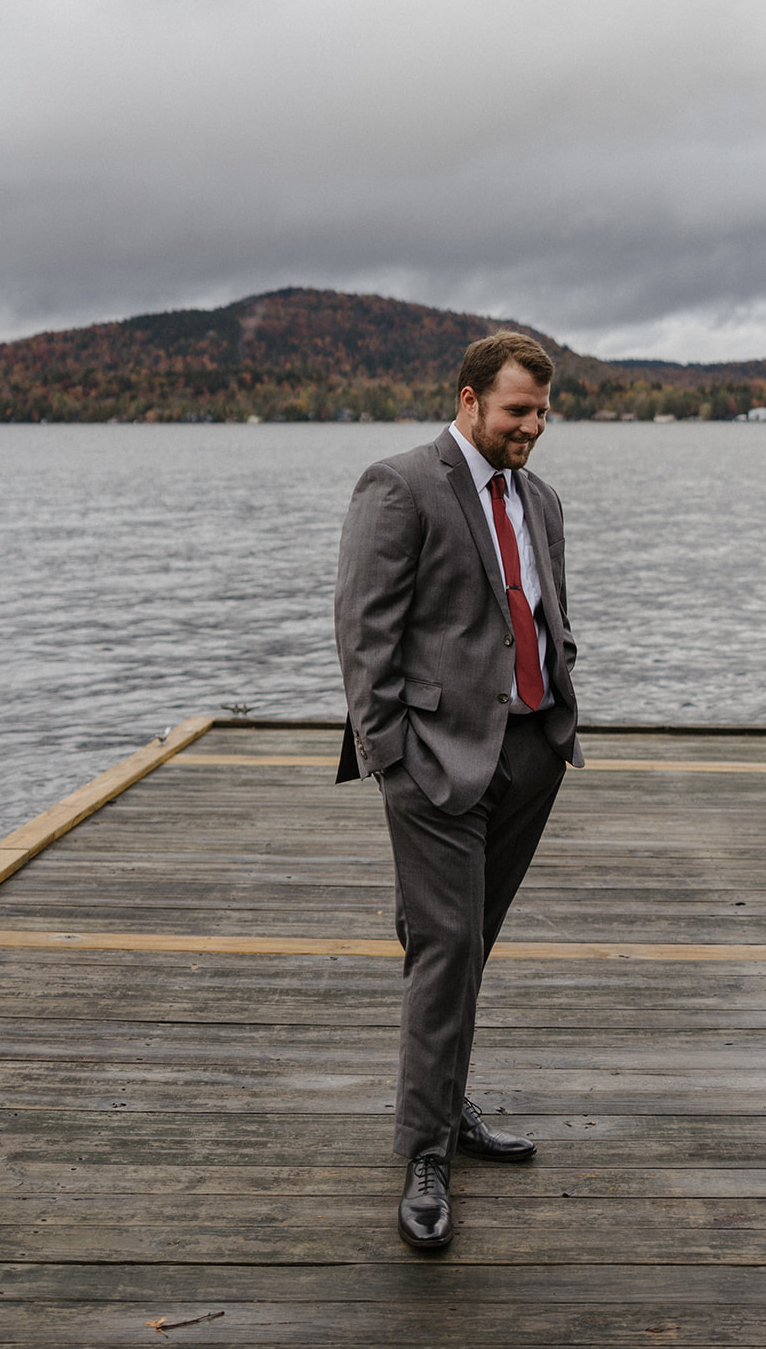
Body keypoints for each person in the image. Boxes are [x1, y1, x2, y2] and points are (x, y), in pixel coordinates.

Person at [334, 330, 581, 1249]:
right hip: (433, 760)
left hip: (528, 754)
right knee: (443, 944)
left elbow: (547, 607)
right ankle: (426, 1153)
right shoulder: (399, 485)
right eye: (518, 411)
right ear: (470, 399)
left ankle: (444, 1100)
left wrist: (560, 709)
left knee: (472, 942)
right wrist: (390, 756)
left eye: (543, 413)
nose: (533, 428)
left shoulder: (539, 497)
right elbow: (364, 632)